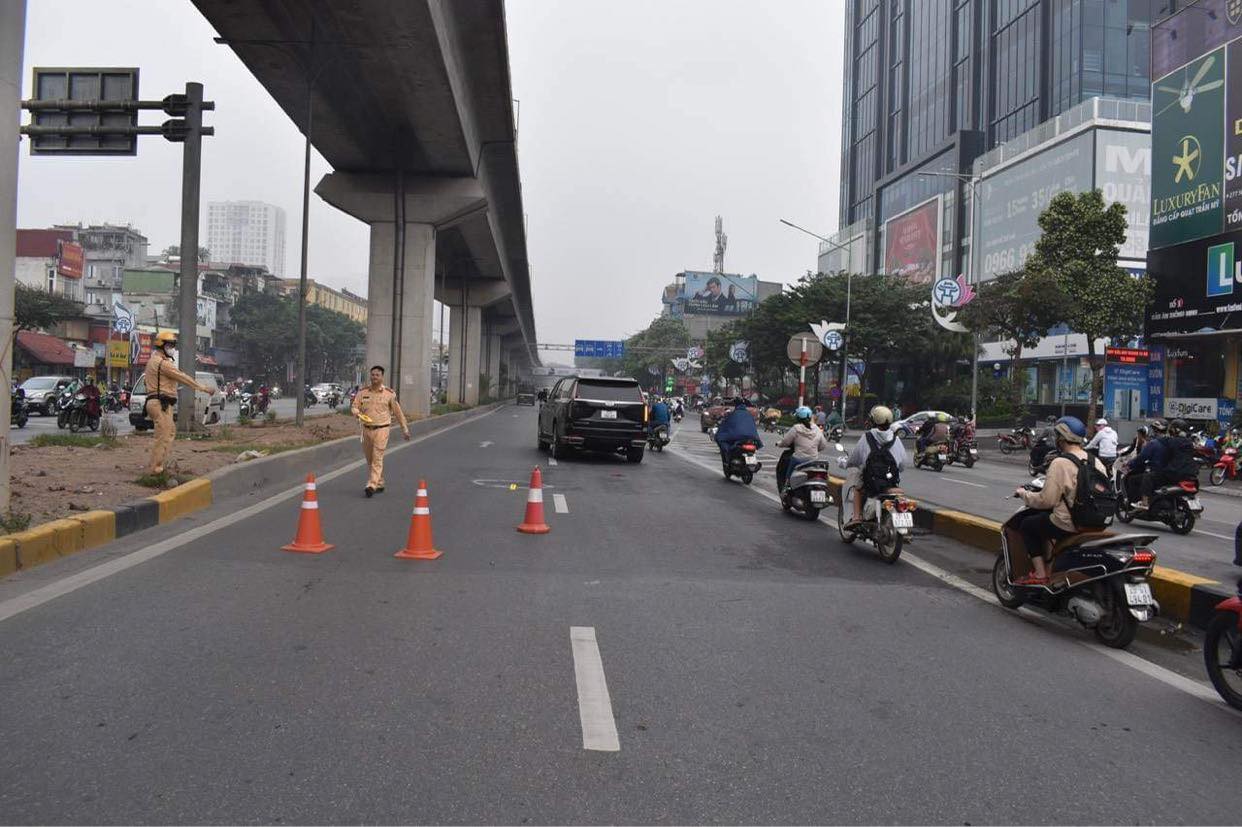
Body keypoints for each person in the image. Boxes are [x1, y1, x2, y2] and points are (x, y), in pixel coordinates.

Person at [1012, 416, 1108, 585]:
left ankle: (1041, 574)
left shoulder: (1060, 463)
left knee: (1027, 525)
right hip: (1098, 522)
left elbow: (1046, 500)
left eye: (1057, 436)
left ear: (1062, 438)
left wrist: (1023, 494)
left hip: (1069, 523)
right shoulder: (1096, 462)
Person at [142, 330, 212, 476]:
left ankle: (158, 465)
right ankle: (156, 469)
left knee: (168, 432)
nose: (172, 348)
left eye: (173, 345)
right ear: (162, 346)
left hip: (158, 402)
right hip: (159, 403)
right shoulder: (163, 364)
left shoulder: (154, 361)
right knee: (164, 435)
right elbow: (184, 377)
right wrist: (203, 388)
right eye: (170, 345)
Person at [350, 365, 411, 497]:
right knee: (370, 459)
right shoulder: (363, 392)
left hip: (382, 429)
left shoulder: (389, 394)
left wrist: (404, 429)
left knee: (377, 457)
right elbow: (355, 406)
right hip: (366, 430)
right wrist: (355, 411)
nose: (374, 377)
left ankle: (371, 485)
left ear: (382, 377)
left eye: (377, 375)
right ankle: (380, 482)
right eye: (372, 375)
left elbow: (398, 413)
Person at [844, 405, 907, 527]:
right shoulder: (896, 439)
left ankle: (856, 517)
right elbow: (903, 465)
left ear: (874, 421)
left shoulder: (867, 437)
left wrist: (847, 463)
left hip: (870, 483)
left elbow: (855, 459)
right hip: (889, 482)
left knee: (857, 489)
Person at [1138, 418, 1199, 509]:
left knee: (1148, 477)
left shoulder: (1171, 442)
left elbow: (1160, 441)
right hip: (1191, 474)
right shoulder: (1190, 443)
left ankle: (1145, 502)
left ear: (1175, 430)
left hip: (1175, 473)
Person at [776, 405, 831, 489]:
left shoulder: (796, 428)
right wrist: (815, 449)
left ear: (798, 418)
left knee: (788, 476)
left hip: (798, 460)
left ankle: (786, 487)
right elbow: (823, 445)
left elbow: (786, 442)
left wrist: (779, 444)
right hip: (813, 460)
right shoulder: (816, 429)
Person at [714, 397, 762, 463]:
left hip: (739, 438)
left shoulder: (733, 414)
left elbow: (725, 427)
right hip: (751, 438)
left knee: (721, 438)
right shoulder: (749, 415)